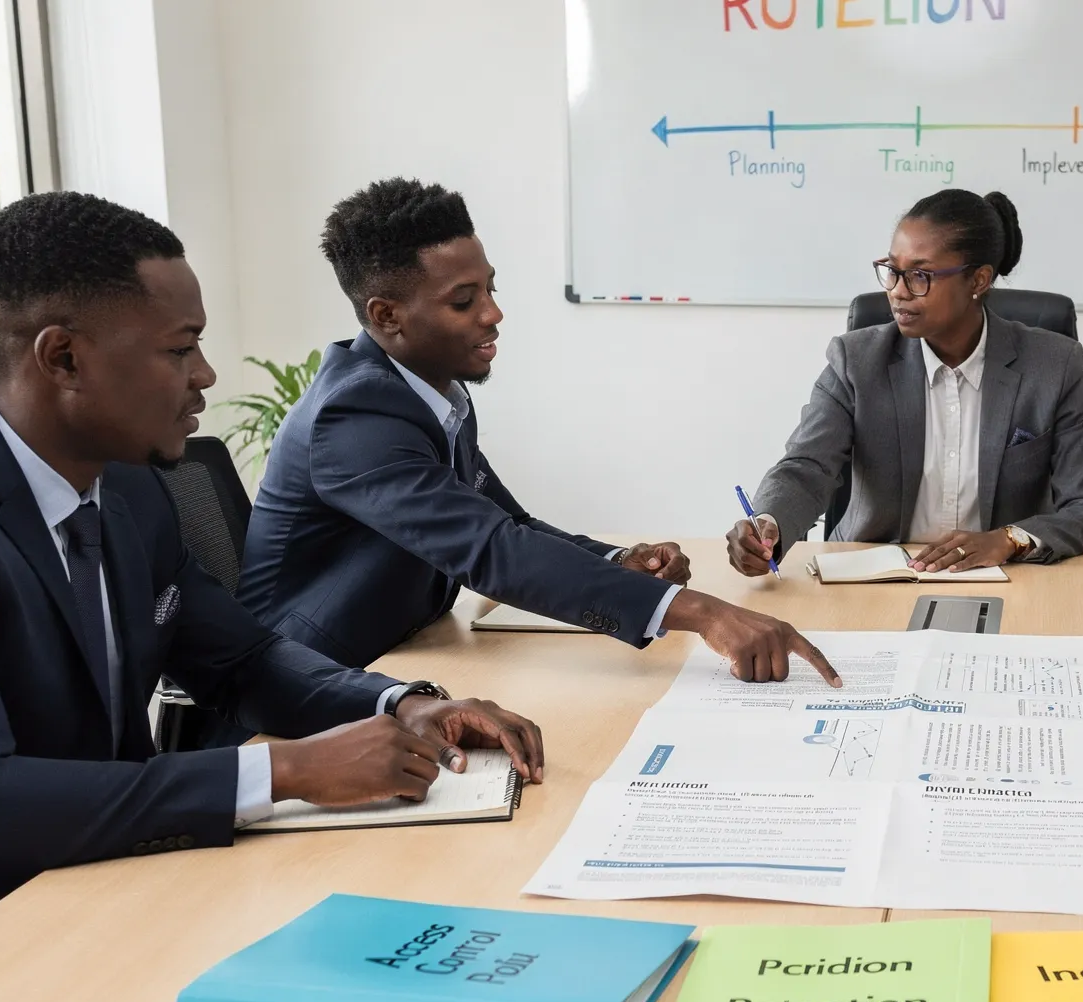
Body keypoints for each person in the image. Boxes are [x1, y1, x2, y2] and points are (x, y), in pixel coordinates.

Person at [0, 192, 547, 952]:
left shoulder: (128, 484)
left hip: (110, 884)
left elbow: (241, 659)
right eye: (179, 350)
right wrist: (283, 772)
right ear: (63, 357)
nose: (205, 375)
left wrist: (401, 703)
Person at [239, 178, 838, 685]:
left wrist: (617, 559)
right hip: (309, 688)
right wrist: (704, 614)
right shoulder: (355, 416)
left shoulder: (434, 390)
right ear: (387, 316)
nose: (493, 313)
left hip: (403, 655)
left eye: (490, 289)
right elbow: (491, 550)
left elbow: (509, 523)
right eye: (463, 301)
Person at [726, 188, 1083, 576]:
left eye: (919, 275)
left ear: (979, 280)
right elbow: (806, 467)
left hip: (1007, 579)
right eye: (893, 271)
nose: (898, 292)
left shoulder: (1053, 366)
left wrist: (1008, 539)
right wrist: (769, 523)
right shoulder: (856, 362)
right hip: (874, 580)